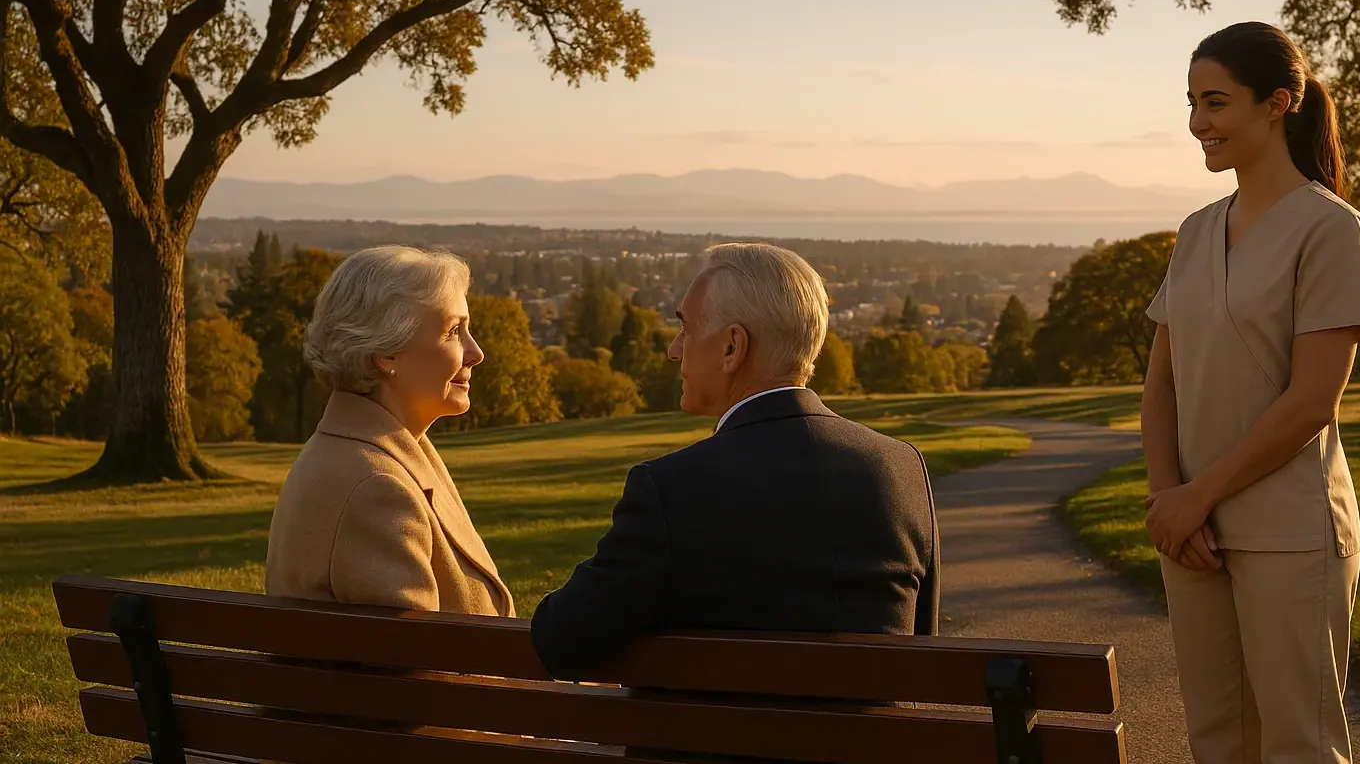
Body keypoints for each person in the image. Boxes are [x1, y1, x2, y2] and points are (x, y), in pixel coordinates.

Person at [530, 242, 940, 684]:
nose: (674, 349)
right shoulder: (903, 469)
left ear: (732, 347)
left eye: (685, 329)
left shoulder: (672, 489)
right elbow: (923, 650)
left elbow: (561, 641)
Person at [1141, 21, 1360, 764]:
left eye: (1215, 103)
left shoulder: (1331, 229)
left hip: (1291, 531)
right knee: (1218, 742)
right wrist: (1167, 502)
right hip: (1191, 534)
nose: (1197, 124)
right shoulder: (1195, 230)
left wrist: (1197, 494)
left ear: (1277, 104)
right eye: (1190, 103)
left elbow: (1312, 402)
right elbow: (1161, 384)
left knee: (1299, 745)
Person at [266, 245, 514, 618]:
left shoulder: (378, 451)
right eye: (453, 331)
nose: (475, 352)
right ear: (386, 354)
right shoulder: (378, 487)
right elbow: (414, 669)